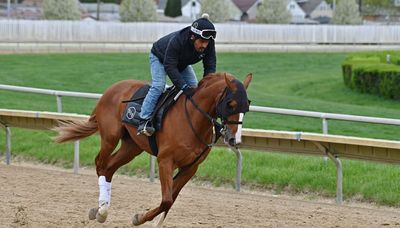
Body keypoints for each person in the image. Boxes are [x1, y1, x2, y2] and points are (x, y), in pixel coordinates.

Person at [137, 14, 217, 136]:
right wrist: (183, 87)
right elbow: (169, 66)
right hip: (160, 57)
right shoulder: (178, 40)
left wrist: (207, 86)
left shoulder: (209, 44)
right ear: (192, 37)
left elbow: (210, 66)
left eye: (206, 42)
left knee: (195, 88)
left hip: (181, 62)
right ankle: (143, 120)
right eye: (201, 41)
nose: (204, 45)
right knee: (158, 86)